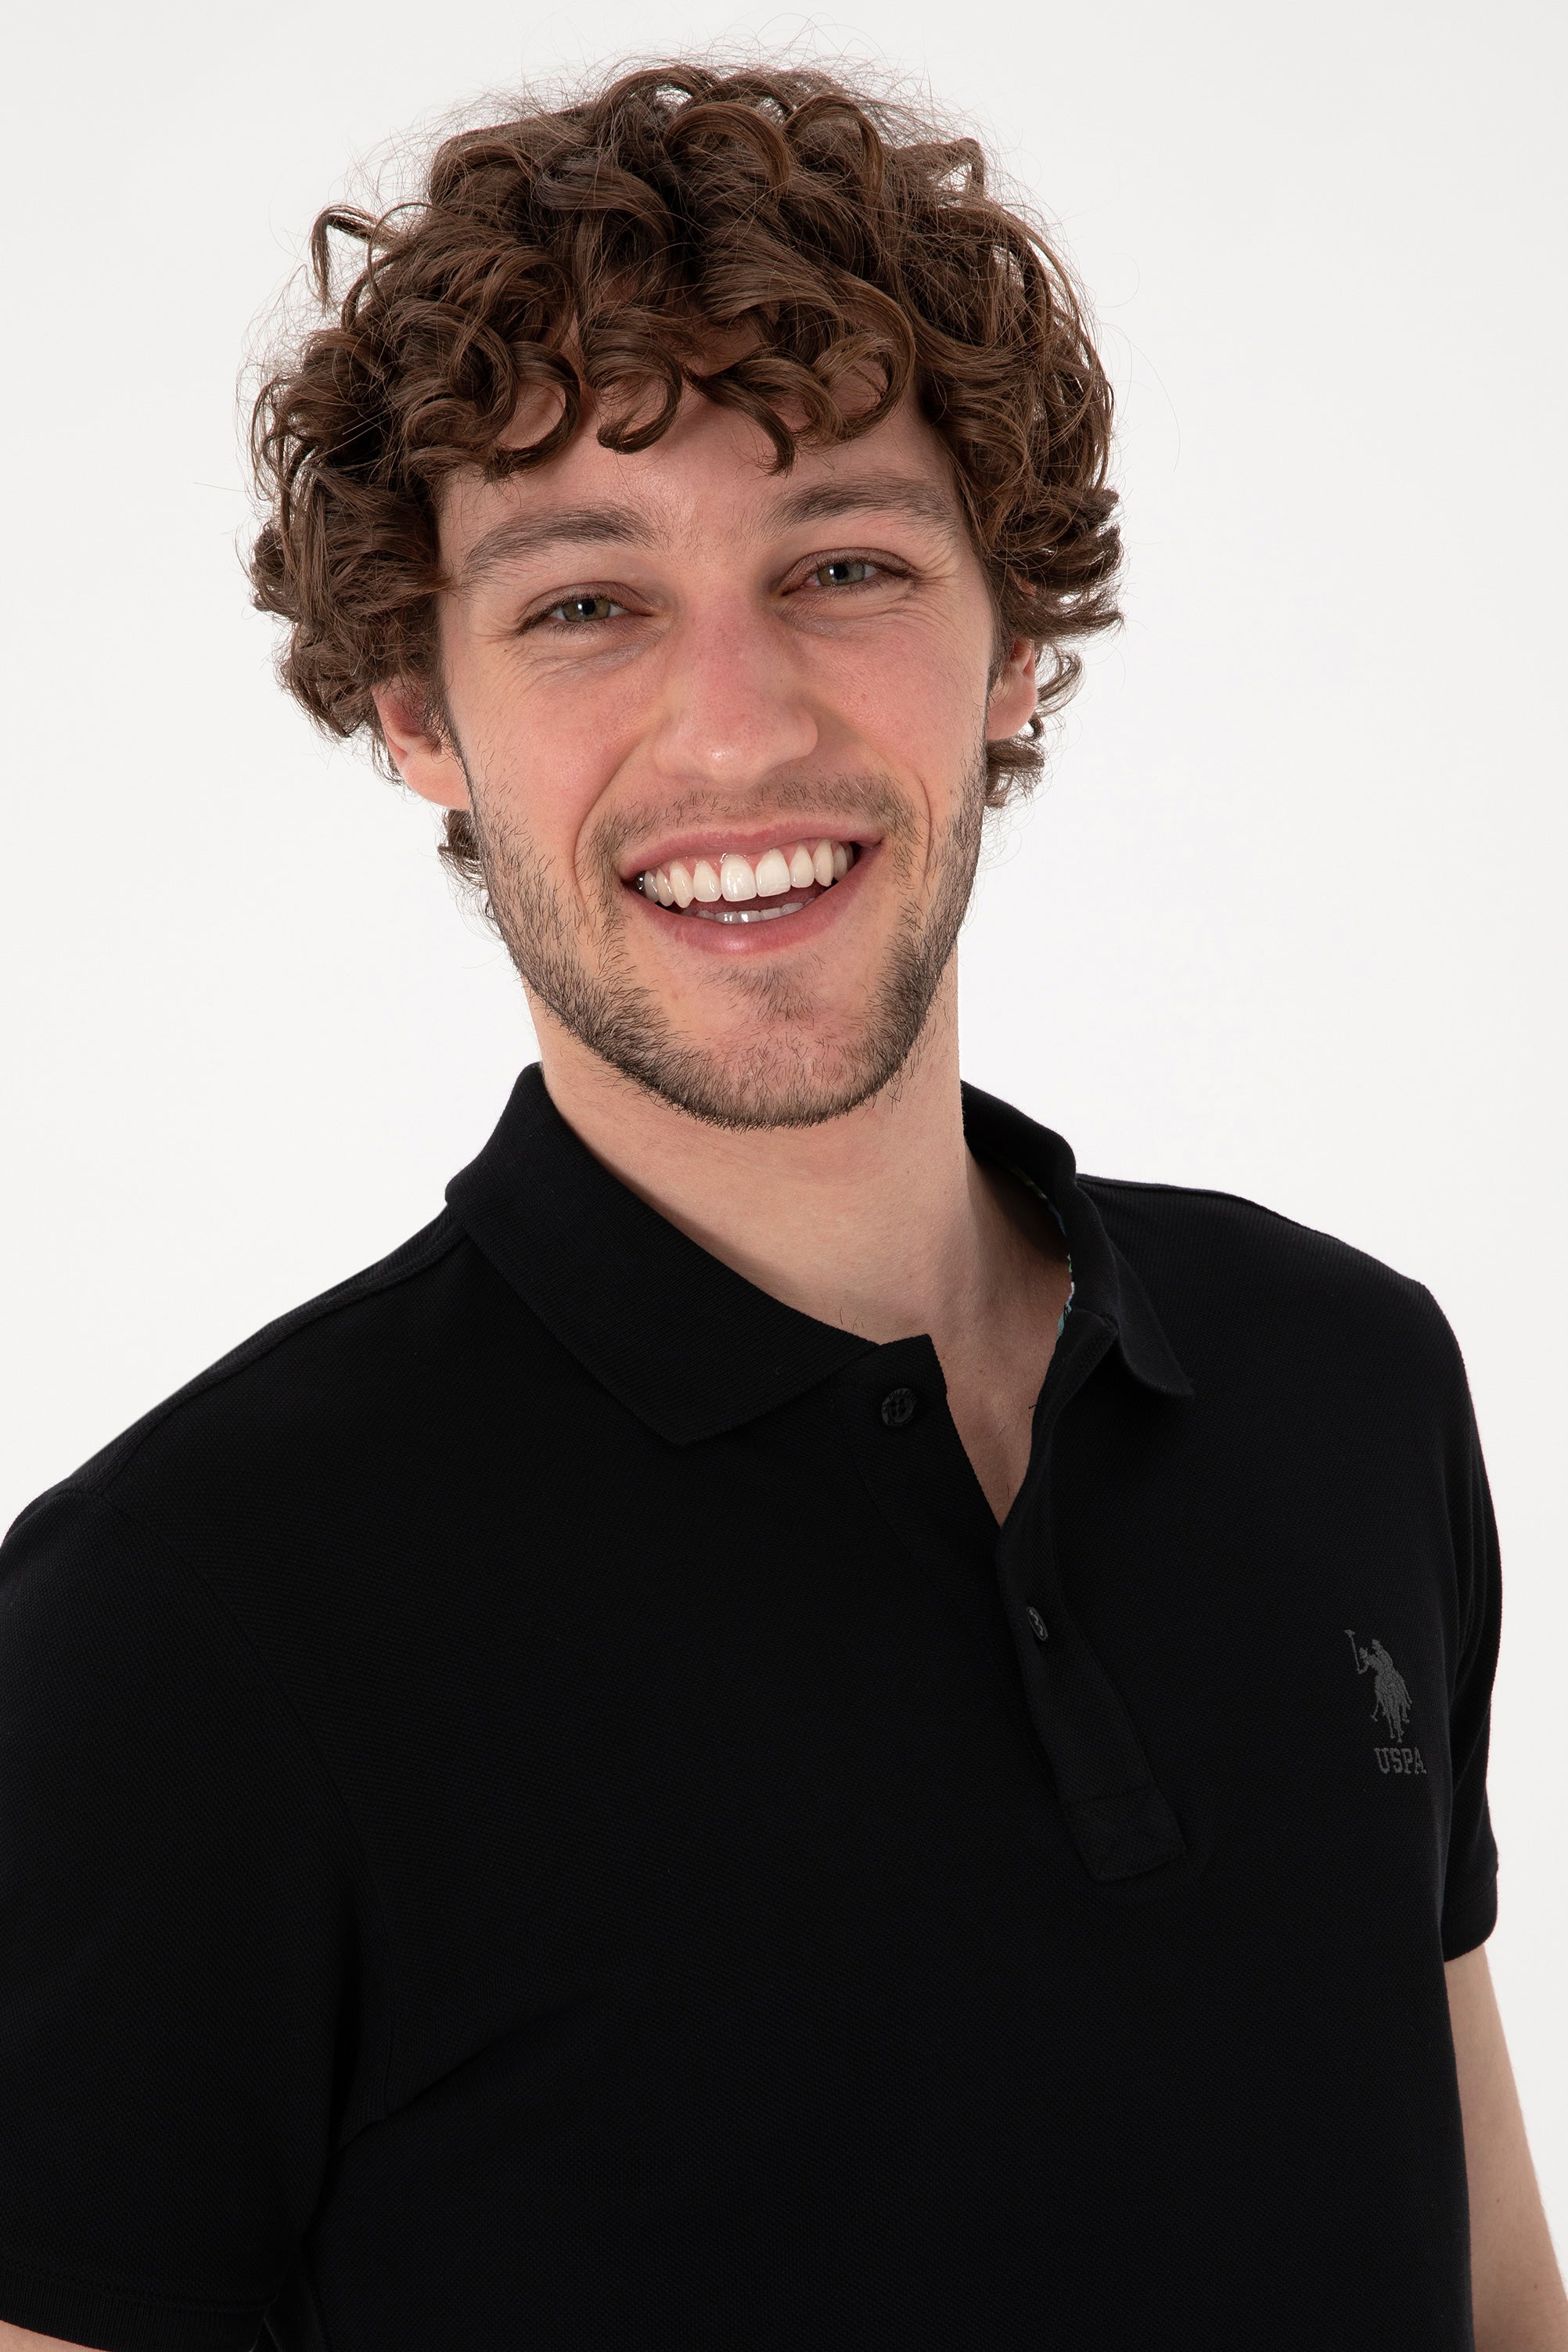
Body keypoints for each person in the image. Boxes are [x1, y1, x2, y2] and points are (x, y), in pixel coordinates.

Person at [0, 59, 1562, 2352]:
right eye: (582, 603)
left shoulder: (1343, 1379)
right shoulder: (175, 1628)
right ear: (417, 713)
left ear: (1014, 642)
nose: (734, 731)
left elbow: (1492, 2289)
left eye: (841, 567)